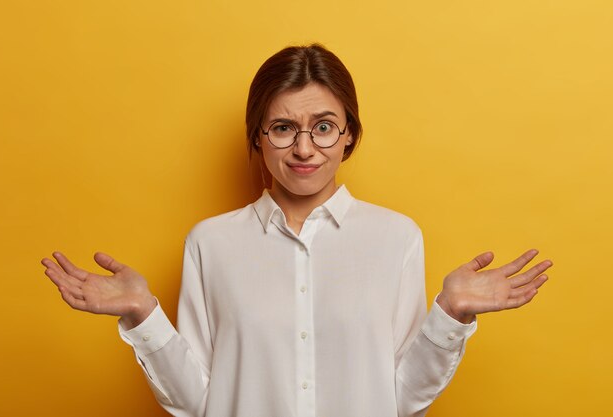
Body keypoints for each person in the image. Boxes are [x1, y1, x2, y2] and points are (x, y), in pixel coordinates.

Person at [41, 44, 552, 417]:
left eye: (324, 126)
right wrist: (143, 315)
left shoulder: (397, 238)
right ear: (258, 138)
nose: (304, 148)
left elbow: (399, 400)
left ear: (349, 133)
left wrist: (450, 316)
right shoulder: (210, 243)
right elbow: (199, 402)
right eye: (283, 128)